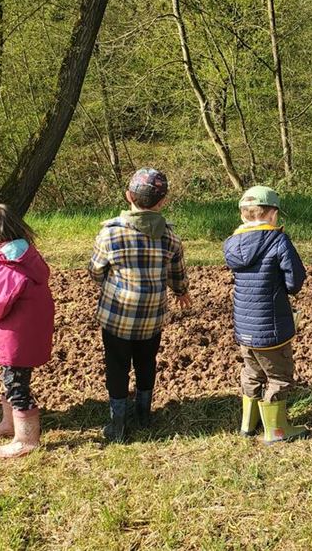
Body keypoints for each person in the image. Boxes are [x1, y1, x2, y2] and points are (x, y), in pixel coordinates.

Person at [88, 168, 191, 443]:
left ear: (128, 197)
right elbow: (177, 273)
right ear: (163, 201)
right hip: (152, 317)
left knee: (117, 365)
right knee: (147, 362)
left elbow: (96, 271)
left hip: (117, 316)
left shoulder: (109, 234)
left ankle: (118, 424)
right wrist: (181, 292)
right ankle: (144, 415)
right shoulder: (170, 237)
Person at [223, 186, 308, 444]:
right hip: (272, 326)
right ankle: (277, 430)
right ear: (272, 214)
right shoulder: (278, 240)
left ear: (242, 215)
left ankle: (248, 425)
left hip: (244, 325)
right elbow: (295, 281)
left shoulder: (232, 243)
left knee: (251, 372)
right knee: (278, 377)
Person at [0, 204, 55, 459]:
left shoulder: (9, 266)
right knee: (10, 379)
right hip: (23, 334)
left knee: (17, 386)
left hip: (16, 338)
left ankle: (27, 438)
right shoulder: (23, 256)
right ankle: (9, 424)